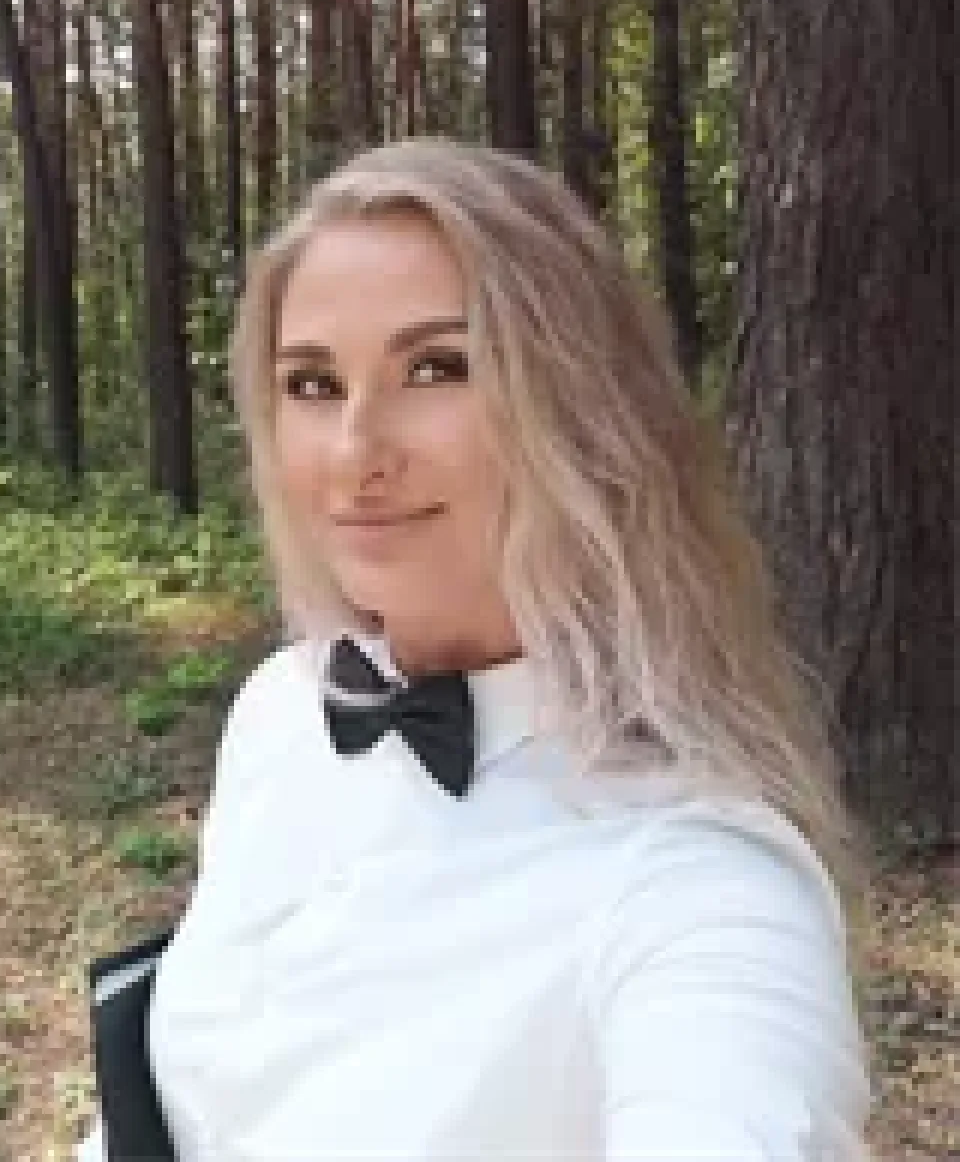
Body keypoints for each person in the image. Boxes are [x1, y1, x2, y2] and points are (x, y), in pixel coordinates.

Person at [78, 138, 875, 1160]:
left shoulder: (698, 891)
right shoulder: (286, 708)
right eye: (313, 383)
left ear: (584, 414)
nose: (356, 452)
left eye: (436, 369)